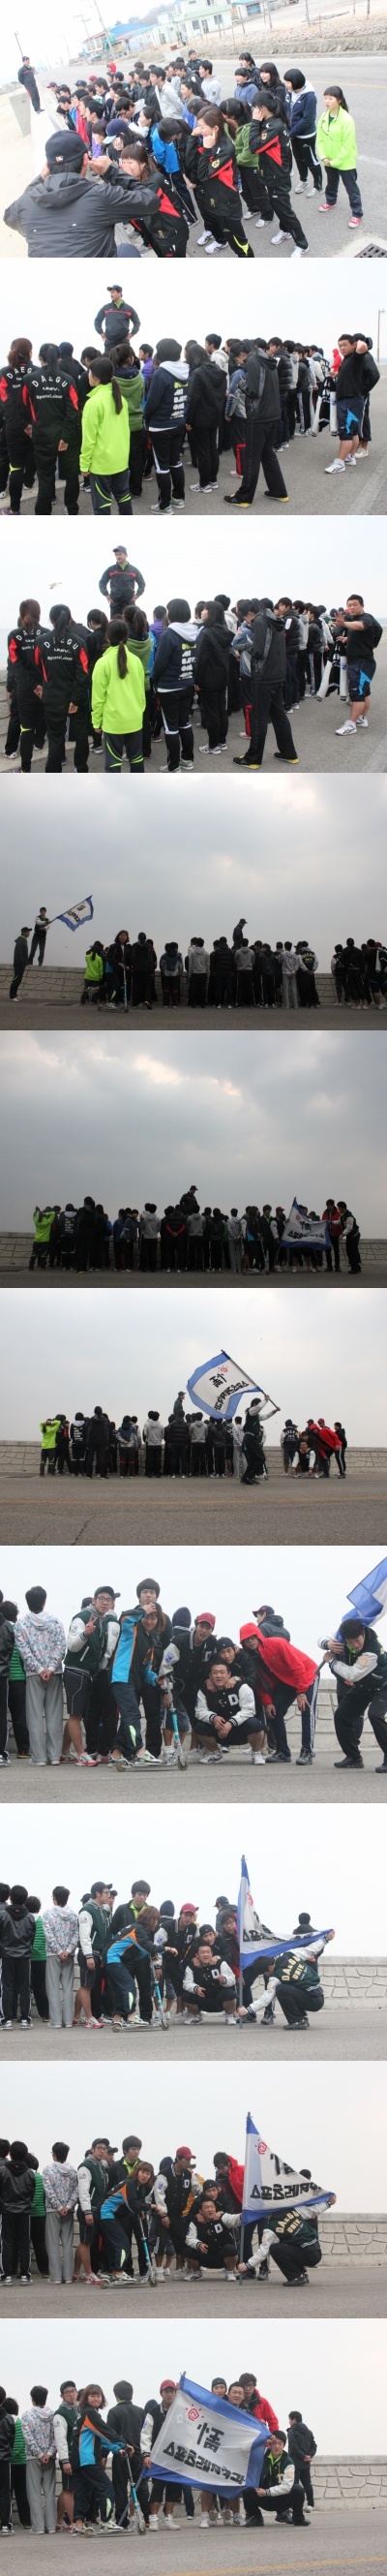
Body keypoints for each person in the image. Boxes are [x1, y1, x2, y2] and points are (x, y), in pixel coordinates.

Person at [4, 129, 150, 258]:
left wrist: (40, 179)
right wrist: (111, 171)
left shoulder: (26, 204)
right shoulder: (100, 195)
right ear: (85, 159)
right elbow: (150, 200)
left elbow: (9, 217)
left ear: (48, 165)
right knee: (126, 250)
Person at [233, 598, 298, 769]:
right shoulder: (274, 619)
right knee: (278, 715)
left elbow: (259, 651)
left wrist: (246, 646)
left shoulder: (260, 621)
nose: (246, 621)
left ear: (249, 613)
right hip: (277, 673)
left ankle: (253, 758)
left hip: (263, 676)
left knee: (258, 718)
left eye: (244, 617)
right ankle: (289, 753)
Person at [224, 342, 288, 509]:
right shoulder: (267, 359)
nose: (239, 363)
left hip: (258, 416)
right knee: (267, 454)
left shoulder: (253, 361)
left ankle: (244, 497)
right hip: (272, 414)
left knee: (252, 457)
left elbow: (254, 391)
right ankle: (279, 491)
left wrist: (241, 385)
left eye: (237, 359)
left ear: (241, 354)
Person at [320, 1615, 387, 1770]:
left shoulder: (372, 1651)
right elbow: (321, 1639)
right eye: (350, 1642)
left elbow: (352, 1674)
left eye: (357, 1640)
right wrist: (328, 1644)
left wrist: (332, 1661)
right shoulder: (342, 1639)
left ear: (363, 1632)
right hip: (364, 1686)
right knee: (341, 1716)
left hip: (383, 1685)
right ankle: (354, 1758)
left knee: (375, 1715)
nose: (355, 1645)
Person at [185, 109, 254, 256]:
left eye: (202, 127)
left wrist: (206, 150)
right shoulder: (209, 141)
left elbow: (203, 175)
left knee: (240, 244)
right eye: (198, 126)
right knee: (231, 240)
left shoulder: (225, 149)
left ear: (215, 128)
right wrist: (192, 138)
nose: (199, 129)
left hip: (226, 205)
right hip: (214, 201)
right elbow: (190, 163)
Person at [248, 101, 309, 253]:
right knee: (279, 207)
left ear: (263, 108)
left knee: (285, 211)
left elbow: (254, 147)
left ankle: (302, 245)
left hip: (277, 177)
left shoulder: (274, 127)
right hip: (273, 174)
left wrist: (255, 122)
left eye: (255, 106)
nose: (253, 110)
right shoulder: (272, 122)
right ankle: (285, 230)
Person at [15, 1586, 66, 1766]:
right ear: (44, 1602)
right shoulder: (56, 1622)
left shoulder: (21, 1624)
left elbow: (24, 1651)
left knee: (35, 1715)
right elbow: (61, 1647)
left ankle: (39, 1757)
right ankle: (54, 1756)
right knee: (54, 1714)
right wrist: (50, 1668)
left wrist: (39, 1669)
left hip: (33, 1674)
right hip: (55, 1673)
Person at [79, 354, 132, 514]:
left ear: (95, 376)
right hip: (120, 460)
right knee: (123, 498)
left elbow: (88, 439)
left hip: (101, 464)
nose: (88, 375)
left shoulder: (93, 403)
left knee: (102, 505)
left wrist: (84, 465)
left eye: (89, 372)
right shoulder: (120, 399)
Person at [91, 619, 145, 770]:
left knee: (113, 764)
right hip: (135, 719)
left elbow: (98, 698)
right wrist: (139, 712)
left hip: (113, 722)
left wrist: (96, 722)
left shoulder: (102, 663)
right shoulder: (136, 661)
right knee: (137, 759)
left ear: (108, 638)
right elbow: (141, 693)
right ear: (127, 637)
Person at [153, 598, 198, 770]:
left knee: (171, 727)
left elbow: (159, 663)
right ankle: (187, 760)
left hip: (169, 687)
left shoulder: (169, 634)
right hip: (187, 684)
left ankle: (173, 766)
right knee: (184, 723)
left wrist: (155, 680)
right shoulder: (194, 632)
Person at [144, 337, 189, 512]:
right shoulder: (184, 371)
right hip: (178, 423)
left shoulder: (161, 373)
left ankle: (164, 505)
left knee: (162, 466)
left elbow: (151, 403)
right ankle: (178, 498)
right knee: (175, 462)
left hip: (161, 426)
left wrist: (146, 417)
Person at [334, 595, 382, 739]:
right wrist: (347, 638)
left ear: (362, 605)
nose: (352, 607)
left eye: (355, 604)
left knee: (357, 695)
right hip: (360, 663)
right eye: (349, 605)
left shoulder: (366, 618)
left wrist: (344, 624)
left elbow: (361, 626)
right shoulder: (356, 620)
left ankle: (351, 724)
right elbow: (376, 630)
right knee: (364, 693)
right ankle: (362, 719)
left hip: (362, 664)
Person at [316, 86, 363, 226]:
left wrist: (335, 162)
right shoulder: (324, 117)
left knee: (351, 188)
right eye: (325, 98)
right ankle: (331, 201)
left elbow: (347, 145)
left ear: (339, 100)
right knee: (331, 183)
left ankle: (357, 213)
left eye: (331, 98)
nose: (327, 101)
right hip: (328, 159)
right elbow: (320, 139)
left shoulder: (347, 119)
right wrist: (323, 157)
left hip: (344, 161)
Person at [244, 2429, 311, 2524]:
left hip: (281, 2499)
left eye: (280, 2443)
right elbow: (248, 2448)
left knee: (298, 2489)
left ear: (284, 2445)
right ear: (270, 2444)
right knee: (247, 2490)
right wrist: (263, 2440)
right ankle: (257, 2517)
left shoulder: (289, 2462)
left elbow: (287, 2486)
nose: (277, 2446)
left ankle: (298, 2518)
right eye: (274, 2443)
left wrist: (267, 2492)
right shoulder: (261, 2455)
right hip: (263, 2497)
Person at [41, 1886, 78, 2025]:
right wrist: (67, 1951)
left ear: (54, 1898)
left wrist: (58, 1951)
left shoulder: (48, 1914)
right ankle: (68, 2020)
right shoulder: (73, 1915)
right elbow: (76, 1935)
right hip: (69, 1955)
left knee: (53, 1987)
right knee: (68, 1988)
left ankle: (56, 2021)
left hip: (53, 1954)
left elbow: (48, 1934)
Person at [0, 2141, 37, 2284]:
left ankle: (6, 2275)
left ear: (10, 2153)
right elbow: (31, 2193)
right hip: (24, 2212)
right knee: (24, 2243)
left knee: (6, 2243)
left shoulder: (2, 2171)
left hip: (6, 2212)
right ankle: (25, 2276)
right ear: (25, 2154)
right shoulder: (29, 2173)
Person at [20, 2389, 56, 2533]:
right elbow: (57, 2437)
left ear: (32, 2399)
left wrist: (39, 2454)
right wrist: (49, 2453)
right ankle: (51, 2526)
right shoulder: (53, 2415)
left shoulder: (27, 2415)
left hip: (33, 2457)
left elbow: (28, 2437)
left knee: (34, 2492)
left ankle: (38, 2527)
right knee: (50, 2492)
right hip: (50, 2458)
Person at [43, 2141, 78, 2285]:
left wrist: (58, 2207)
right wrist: (68, 2207)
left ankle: (56, 2277)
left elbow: (48, 2190)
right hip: (69, 2211)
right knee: (67, 2244)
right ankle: (68, 2276)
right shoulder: (73, 2171)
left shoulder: (48, 2170)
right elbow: (76, 2191)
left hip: (53, 2210)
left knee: (52, 2243)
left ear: (54, 2154)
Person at [283, 71, 321, 195]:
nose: (285, 84)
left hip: (305, 135)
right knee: (299, 159)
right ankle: (304, 180)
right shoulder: (289, 92)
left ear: (296, 82)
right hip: (293, 134)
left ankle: (318, 186)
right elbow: (287, 110)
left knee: (311, 161)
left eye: (288, 82)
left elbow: (308, 119)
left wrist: (292, 133)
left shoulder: (310, 97)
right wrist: (288, 129)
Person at [287, 2411, 317, 2506]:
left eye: (290, 2419)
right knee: (308, 2484)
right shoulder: (309, 2432)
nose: (289, 2422)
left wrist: (303, 2456)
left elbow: (293, 2447)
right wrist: (309, 2456)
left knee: (294, 2485)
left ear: (294, 2420)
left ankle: (295, 2505)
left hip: (294, 2463)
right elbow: (314, 2446)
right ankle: (310, 2505)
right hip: (306, 2464)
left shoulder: (292, 2431)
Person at [10, 927, 32, 1000]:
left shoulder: (23, 940)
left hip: (22, 964)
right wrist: (22, 961)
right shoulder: (20, 940)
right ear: (23, 932)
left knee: (19, 980)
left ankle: (15, 994)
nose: (29, 933)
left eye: (29, 932)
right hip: (19, 964)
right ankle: (12, 996)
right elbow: (19, 952)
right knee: (16, 979)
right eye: (27, 932)